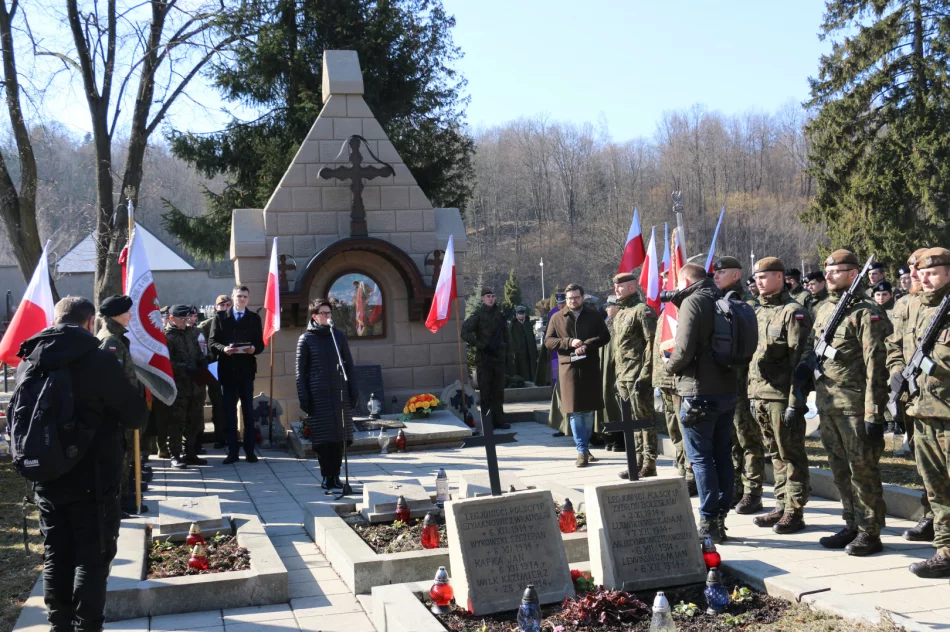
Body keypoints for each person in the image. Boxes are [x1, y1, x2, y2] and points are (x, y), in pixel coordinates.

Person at [18, 296, 147, 632]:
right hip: (94, 476)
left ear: (56, 319)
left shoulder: (29, 359)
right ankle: (88, 627)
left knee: (56, 553)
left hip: (46, 475)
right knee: (92, 556)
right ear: (90, 322)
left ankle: (59, 626)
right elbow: (135, 415)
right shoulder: (99, 360)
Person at [802, 249, 890, 556]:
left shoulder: (866, 313)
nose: (828, 275)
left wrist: (873, 412)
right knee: (840, 470)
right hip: (828, 404)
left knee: (862, 470)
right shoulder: (825, 309)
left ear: (854, 275)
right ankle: (851, 522)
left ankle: (870, 531)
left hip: (854, 406)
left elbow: (877, 366)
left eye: (836, 271)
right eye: (827, 270)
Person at [666, 264, 737, 542]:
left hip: (697, 391)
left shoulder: (693, 301)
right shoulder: (723, 299)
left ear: (685, 280)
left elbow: (683, 349)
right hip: (727, 390)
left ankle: (708, 520)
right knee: (722, 454)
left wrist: (670, 367)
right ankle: (720, 518)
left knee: (701, 458)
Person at [749, 257, 813, 535]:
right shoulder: (758, 312)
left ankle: (795, 511)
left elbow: (800, 360)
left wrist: (795, 402)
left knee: (791, 454)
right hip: (759, 394)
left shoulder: (793, 312)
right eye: (756, 278)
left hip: (781, 396)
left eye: (764, 277)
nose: (758, 282)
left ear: (779, 278)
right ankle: (781, 503)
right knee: (774, 453)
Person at [886, 248, 938, 558]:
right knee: (924, 464)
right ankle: (932, 516)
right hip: (913, 396)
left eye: (920, 268)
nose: (915, 273)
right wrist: (896, 372)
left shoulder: (938, 305)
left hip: (938, 398)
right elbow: (895, 345)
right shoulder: (905, 304)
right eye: (911, 268)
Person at [713, 257, 765, 514]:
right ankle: (734, 487)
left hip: (743, 383)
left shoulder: (747, 306)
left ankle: (753, 491)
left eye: (721, 272)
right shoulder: (717, 304)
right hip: (723, 382)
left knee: (748, 439)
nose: (716, 277)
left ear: (735, 275)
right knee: (729, 439)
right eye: (715, 273)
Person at [544, 283, 611, 467]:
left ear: (582, 298)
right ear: (566, 300)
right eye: (569, 298)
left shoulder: (594, 315)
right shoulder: (557, 317)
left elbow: (605, 336)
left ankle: (585, 447)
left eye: (576, 297)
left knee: (588, 411)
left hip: (589, 366)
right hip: (569, 368)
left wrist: (586, 345)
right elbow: (548, 341)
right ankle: (581, 450)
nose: (573, 301)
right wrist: (569, 342)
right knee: (574, 412)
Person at [296, 298, 358, 490]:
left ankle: (337, 476)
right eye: (323, 313)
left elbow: (349, 364)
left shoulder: (338, 336)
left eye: (329, 313)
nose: (327, 316)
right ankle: (326, 476)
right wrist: (303, 396)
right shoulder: (306, 339)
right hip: (318, 394)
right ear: (314, 316)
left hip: (339, 393)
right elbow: (300, 371)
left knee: (339, 437)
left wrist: (353, 390)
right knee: (324, 439)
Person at [95, 295, 148, 515]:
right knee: (122, 457)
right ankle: (120, 502)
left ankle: (124, 497)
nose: (131, 315)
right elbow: (114, 380)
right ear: (116, 315)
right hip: (119, 411)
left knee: (125, 455)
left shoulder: (115, 337)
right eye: (128, 312)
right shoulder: (111, 341)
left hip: (123, 408)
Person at [209, 285, 265, 464]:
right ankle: (232, 451)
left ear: (248, 299)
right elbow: (212, 341)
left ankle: (250, 451)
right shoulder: (220, 317)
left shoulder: (254, 318)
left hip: (246, 371)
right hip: (228, 371)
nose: (242, 299)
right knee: (229, 412)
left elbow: (260, 343)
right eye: (239, 296)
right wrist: (223, 349)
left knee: (248, 412)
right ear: (233, 297)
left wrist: (253, 349)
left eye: (245, 297)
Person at [611, 272, 658, 478]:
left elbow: (652, 344)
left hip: (638, 376)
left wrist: (645, 374)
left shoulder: (643, 311)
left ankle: (649, 463)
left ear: (631, 288)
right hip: (623, 376)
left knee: (644, 420)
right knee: (630, 421)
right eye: (615, 286)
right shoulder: (621, 314)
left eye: (619, 287)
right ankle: (636, 461)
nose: (616, 290)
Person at [154, 305, 208, 469]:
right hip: (179, 386)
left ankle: (190, 452)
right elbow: (164, 362)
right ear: (171, 319)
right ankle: (175, 455)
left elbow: (200, 351)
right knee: (177, 422)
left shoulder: (194, 332)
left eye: (187, 319)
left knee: (195, 420)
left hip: (196, 384)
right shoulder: (166, 336)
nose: (185, 322)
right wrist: (184, 367)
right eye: (181, 319)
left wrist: (203, 360)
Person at [462, 287, 512, 430]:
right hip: (484, 359)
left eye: (492, 296)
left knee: (498, 392)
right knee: (485, 392)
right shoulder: (478, 314)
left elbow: (506, 337)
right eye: (488, 296)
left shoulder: (499, 315)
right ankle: (487, 421)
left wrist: (508, 356)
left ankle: (499, 420)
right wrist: (479, 344)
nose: (491, 298)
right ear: (482, 299)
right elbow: (465, 331)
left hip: (499, 359)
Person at [200, 294, 231, 448]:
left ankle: (231, 436)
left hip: (233, 369)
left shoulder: (235, 323)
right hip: (214, 369)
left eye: (227, 305)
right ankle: (220, 437)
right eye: (221, 305)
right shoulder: (205, 326)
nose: (224, 308)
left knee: (232, 402)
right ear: (215, 308)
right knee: (218, 404)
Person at [597, 296, 623, 451]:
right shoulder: (608, 322)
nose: (606, 309)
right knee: (607, 402)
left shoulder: (619, 323)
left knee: (615, 404)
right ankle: (610, 437)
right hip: (604, 369)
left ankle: (619, 438)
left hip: (615, 370)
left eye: (610, 306)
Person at [508, 305, 538, 382]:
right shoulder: (513, 326)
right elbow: (511, 340)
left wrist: (535, 352)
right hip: (519, 354)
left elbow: (532, 339)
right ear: (516, 314)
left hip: (529, 353)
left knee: (531, 371)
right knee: (520, 370)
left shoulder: (528, 324)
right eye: (519, 313)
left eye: (522, 313)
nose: (521, 315)